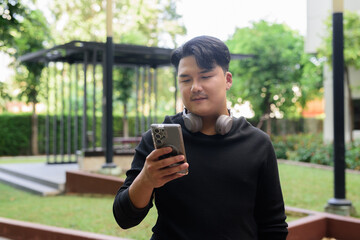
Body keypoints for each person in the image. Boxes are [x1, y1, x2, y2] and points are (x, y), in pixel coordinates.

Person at [113, 35, 288, 240]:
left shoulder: (258, 144)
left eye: (205, 76)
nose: (195, 87)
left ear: (227, 80)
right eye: (186, 79)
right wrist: (146, 179)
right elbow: (124, 218)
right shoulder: (158, 140)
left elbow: (273, 226)